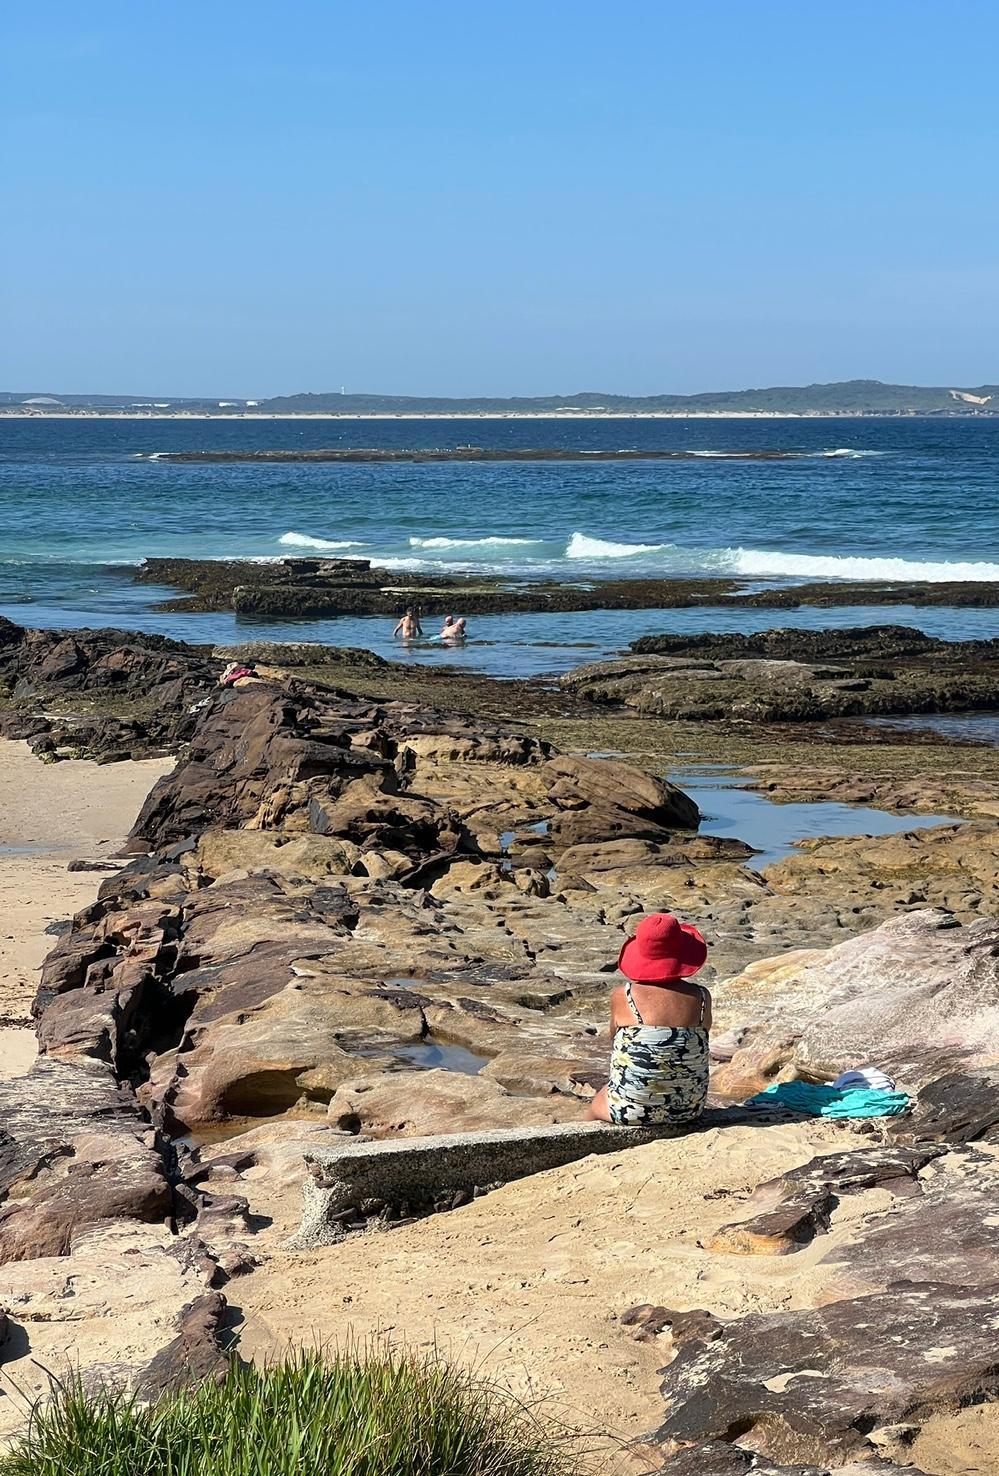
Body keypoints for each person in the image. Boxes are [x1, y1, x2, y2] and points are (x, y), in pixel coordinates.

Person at [587, 912, 711, 1127]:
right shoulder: (701, 997)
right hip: (691, 1108)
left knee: (598, 1101)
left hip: (634, 1113)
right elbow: (703, 1033)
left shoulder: (624, 995)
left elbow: (613, 1037)